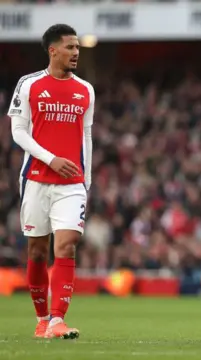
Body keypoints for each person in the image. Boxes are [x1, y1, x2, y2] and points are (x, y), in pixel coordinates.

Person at [8, 24, 95, 339]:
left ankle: (58, 319)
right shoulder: (29, 84)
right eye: (70, 47)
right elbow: (18, 132)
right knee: (36, 252)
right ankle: (42, 319)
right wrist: (50, 158)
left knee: (67, 244)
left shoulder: (86, 89)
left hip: (72, 183)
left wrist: (87, 178)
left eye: (77, 48)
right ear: (52, 50)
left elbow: (86, 136)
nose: (75, 53)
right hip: (36, 178)